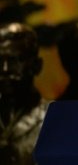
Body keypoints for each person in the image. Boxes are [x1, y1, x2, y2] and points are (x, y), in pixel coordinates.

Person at [0, 23, 46, 165]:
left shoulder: (55, 119)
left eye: (15, 61)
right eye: (0, 61)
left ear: (37, 66)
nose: (5, 69)